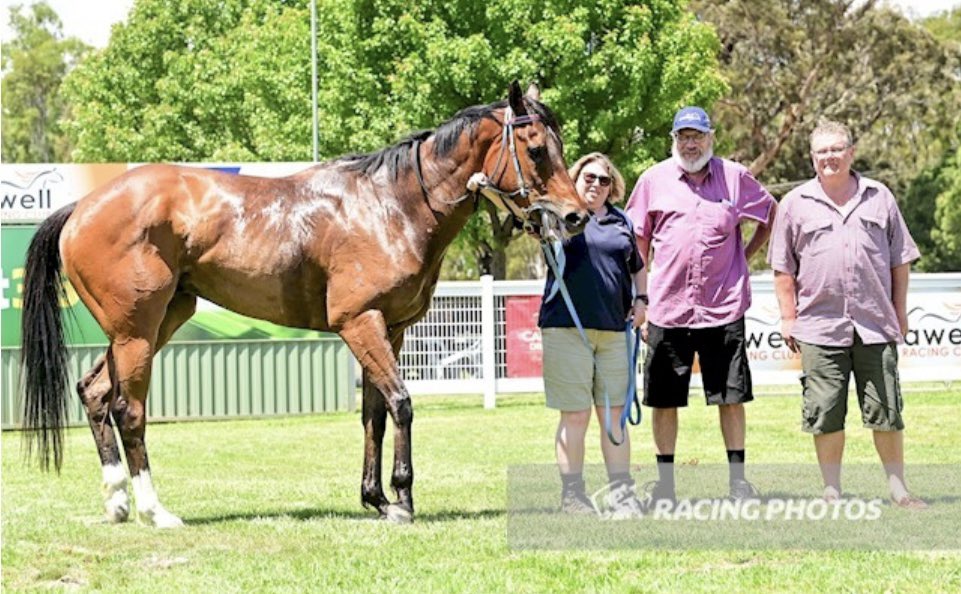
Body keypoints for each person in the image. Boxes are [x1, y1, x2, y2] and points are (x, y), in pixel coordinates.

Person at [767, 120, 926, 508]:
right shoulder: (795, 204)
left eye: (837, 149)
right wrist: (788, 318)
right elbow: (782, 268)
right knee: (825, 411)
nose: (829, 158)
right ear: (812, 157)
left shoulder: (880, 197)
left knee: (886, 409)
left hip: (875, 323)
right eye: (821, 152)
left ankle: (898, 489)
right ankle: (831, 491)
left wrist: (899, 313)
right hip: (820, 327)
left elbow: (900, 261)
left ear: (851, 152)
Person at [625, 106, 777, 505]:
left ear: (711, 137)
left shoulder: (735, 177)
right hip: (667, 309)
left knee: (730, 397)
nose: (690, 144)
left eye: (697, 136)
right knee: (663, 399)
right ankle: (665, 487)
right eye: (682, 137)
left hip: (723, 307)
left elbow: (769, 213)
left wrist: (745, 253)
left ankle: (738, 484)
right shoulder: (652, 181)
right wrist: (639, 298)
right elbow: (637, 240)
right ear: (673, 140)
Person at [539, 152, 646, 517]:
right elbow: (528, 219)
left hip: (615, 331)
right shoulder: (560, 217)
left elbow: (638, 267)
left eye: (604, 180)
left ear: (612, 185)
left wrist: (642, 299)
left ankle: (622, 494)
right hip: (567, 328)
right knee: (576, 415)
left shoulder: (621, 221)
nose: (596, 185)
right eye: (589, 177)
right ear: (575, 178)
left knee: (614, 416)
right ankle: (573, 496)